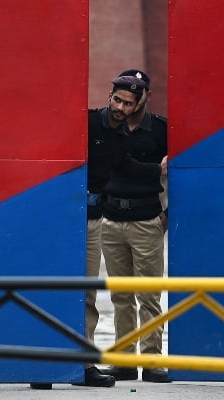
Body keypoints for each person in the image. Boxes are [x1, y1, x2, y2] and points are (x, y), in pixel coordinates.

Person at [77, 73, 164, 387]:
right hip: (75, 215)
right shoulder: (85, 123)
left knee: (93, 291)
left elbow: (125, 165)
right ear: (109, 95)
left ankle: (86, 364)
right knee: (87, 292)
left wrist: (158, 170)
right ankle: (65, 363)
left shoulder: (124, 137)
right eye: (117, 99)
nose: (120, 107)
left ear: (138, 104)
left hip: (101, 217)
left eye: (128, 103)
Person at [100, 69, 170, 383]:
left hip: (146, 220)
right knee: (121, 296)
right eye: (120, 98)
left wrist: (166, 215)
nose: (125, 105)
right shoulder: (105, 126)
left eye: (132, 98)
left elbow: (176, 175)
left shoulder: (160, 130)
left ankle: (154, 362)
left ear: (144, 98)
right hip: (112, 219)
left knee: (149, 295)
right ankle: (125, 362)